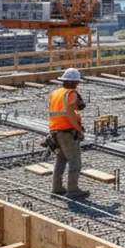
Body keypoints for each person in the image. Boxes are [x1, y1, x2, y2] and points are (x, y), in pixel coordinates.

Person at [48, 68, 88, 199]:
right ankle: (73, 190)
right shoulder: (71, 93)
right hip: (67, 132)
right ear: (75, 82)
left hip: (55, 131)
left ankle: (57, 187)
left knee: (61, 159)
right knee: (75, 162)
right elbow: (70, 113)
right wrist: (78, 128)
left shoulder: (56, 93)